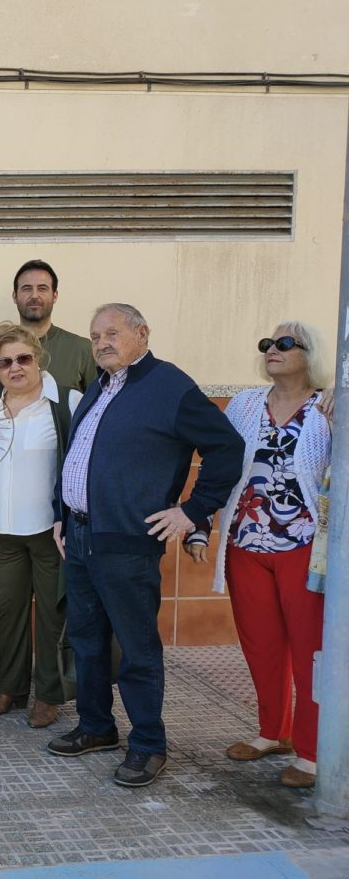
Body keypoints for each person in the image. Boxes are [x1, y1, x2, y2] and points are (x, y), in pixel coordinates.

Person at [49, 303, 243, 788]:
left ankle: (149, 746)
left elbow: (227, 448)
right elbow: (78, 457)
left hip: (128, 543)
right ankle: (96, 727)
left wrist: (193, 511)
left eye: (112, 333)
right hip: (79, 536)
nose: (101, 342)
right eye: (95, 336)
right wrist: (61, 514)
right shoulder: (99, 387)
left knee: (136, 649)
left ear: (142, 333)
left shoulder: (169, 386)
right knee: (88, 640)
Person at [185, 322, 332, 789]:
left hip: (304, 547)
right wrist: (201, 525)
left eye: (285, 344)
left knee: (311, 649)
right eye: (267, 344)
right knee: (261, 644)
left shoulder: (330, 405)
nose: (272, 350)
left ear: (312, 354)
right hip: (246, 542)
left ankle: (312, 751)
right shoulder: (246, 404)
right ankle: (275, 732)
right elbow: (221, 466)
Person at [0, 324, 81, 729]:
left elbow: (84, 464)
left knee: (52, 615)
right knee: (8, 611)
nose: (15, 368)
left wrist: (70, 518)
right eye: (5, 362)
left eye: (23, 358)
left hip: (49, 532)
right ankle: (11, 688)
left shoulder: (66, 403)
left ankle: (48, 694)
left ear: (38, 358)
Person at [0, 260, 97, 395]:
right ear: (15, 296)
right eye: (27, 289)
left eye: (42, 288)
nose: (34, 295)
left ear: (55, 296)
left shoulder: (82, 350)